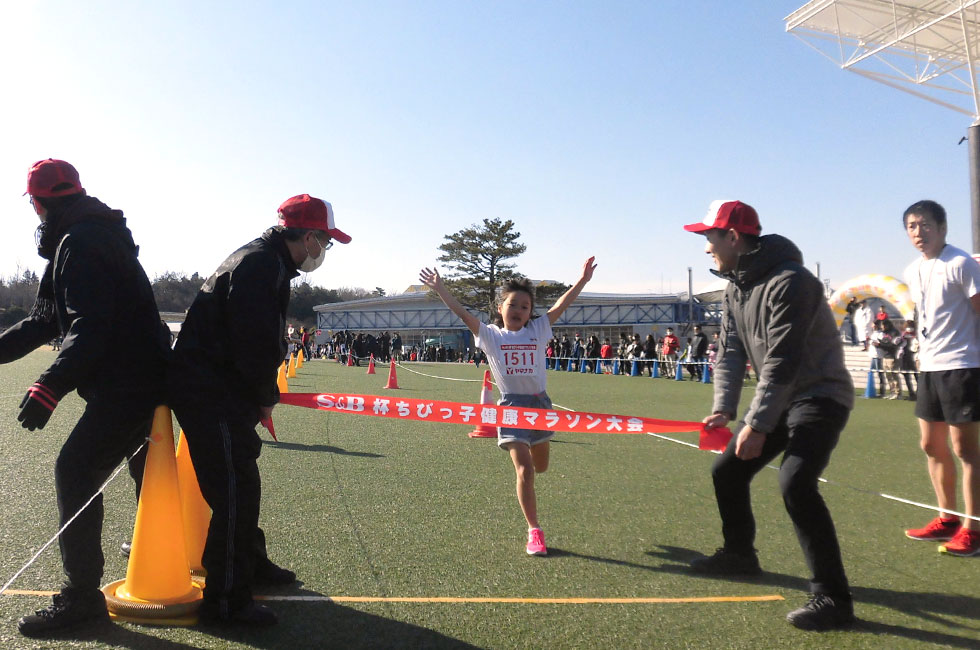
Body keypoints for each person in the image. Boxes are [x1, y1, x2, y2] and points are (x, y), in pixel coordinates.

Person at [5, 160, 170, 638]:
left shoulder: (79, 241)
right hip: (142, 375)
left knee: (76, 469)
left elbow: (89, 327)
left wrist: (48, 386)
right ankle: (163, 550)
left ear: (36, 203)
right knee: (146, 468)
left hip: (132, 381)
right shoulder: (83, 233)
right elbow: (44, 322)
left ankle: (82, 600)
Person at [170, 193, 351, 625]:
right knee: (235, 491)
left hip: (218, 387)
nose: (323, 251)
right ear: (307, 236)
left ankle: (250, 566)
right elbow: (251, 341)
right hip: (210, 389)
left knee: (239, 483)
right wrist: (264, 393)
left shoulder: (265, 261)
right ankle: (226, 601)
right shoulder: (260, 265)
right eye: (323, 241)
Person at [683, 199, 855, 630]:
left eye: (710, 238)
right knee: (728, 471)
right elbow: (730, 352)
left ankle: (833, 599)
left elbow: (783, 359)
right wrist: (724, 408)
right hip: (779, 397)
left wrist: (757, 424)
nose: (706, 248)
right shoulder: (735, 287)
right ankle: (740, 555)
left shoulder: (791, 282)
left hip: (819, 395)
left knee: (795, 481)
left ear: (734, 237)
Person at [419, 258, 596, 556]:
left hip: (540, 406)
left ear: (531, 313)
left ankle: (534, 482)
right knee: (525, 470)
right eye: (513, 304)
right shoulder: (491, 335)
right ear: (500, 307)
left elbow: (560, 306)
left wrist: (582, 281)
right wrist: (440, 288)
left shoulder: (538, 330)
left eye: (525, 307)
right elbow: (462, 314)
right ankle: (534, 531)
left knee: (541, 466)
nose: (518, 311)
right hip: (511, 409)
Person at [901, 200, 980, 556]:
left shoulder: (961, 263)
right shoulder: (911, 271)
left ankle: (973, 528)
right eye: (912, 226)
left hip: (963, 365)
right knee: (931, 446)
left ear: (943, 227)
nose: (919, 232)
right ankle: (946, 518)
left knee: (966, 451)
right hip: (930, 367)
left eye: (926, 225)